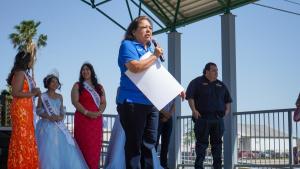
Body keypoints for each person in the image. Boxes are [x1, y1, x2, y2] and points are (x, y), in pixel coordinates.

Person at [116, 15, 164, 169]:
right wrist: (155, 56)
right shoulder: (127, 45)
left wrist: (176, 90)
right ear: (134, 31)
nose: (148, 30)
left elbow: (157, 74)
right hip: (132, 102)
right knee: (134, 145)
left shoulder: (150, 49)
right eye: (144, 27)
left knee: (150, 144)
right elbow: (135, 67)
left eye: (150, 28)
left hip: (151, 103)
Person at [35, 74, 88, 169]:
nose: (55, 84)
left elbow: (62, 110)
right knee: (48, 152)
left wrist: (61, 117)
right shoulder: (42, 96)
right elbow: (38, 110)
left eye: (57, 82)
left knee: (61, 150)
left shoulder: (60, 97)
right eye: (52, 82)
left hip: (59, 127)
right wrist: (48, 116)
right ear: (48, 83)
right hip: (46, 125)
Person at [186, 62, 232, 169]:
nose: (216, 72)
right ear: (207, 71)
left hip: (217, 119)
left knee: (217, 145)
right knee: (201, 146)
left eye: (217, 70)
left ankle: (217, 167)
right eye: (214, 70)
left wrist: (227, 111)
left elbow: (228, 100)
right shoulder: (196, 82)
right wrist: (194, 110)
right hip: (203, 119)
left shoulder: (221, 85)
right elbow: (190, 97)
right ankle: (199, 167)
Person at [6, 51, 41, 169]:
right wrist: (33, 93)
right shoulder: (20, 73)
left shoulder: (25, 74)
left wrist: (34, 93)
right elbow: (15, 92)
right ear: (26, 61)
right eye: (32, 59)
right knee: (22, 137)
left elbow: (25, 92)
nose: (33, 62)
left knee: (27, 138)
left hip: (27, 109)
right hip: (21, 111)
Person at [71, 62, 106, 169]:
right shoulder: (78, 85)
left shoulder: (99, 87)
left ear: (92, 71)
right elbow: (75, 102)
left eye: (87, 69)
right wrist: (87, 113)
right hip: (83, 119)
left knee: (94, 147)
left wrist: (99, 112)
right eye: (83, 70)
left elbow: (103, 102)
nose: (85, 71)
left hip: (96, 120)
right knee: (83, 145)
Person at [155, 99, 175, 169]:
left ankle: (163, 165)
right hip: (158, 115)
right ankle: (154, 164)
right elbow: (155, 103)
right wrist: (165, 114)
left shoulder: (173, 91)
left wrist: (169, 115)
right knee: (155, 142)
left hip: (169, 117)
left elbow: (174, 104)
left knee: (166, 143)